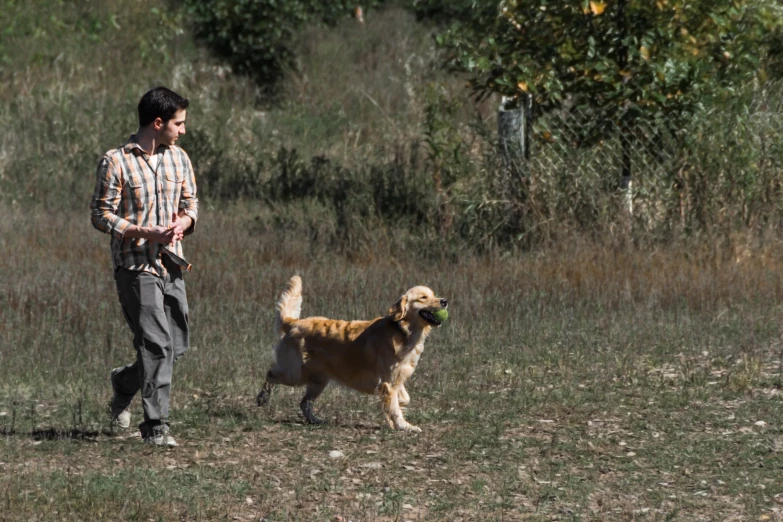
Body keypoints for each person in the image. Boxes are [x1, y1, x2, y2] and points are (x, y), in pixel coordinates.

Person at [90, 86, 198, 446]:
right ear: (158, 122)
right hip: (135, 267)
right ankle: (155, 427)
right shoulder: (115, 161)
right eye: (178, 123)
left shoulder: (179, 158)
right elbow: (100, 214)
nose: (182, 130)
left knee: (174, 347)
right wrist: (141, 232)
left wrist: (184, 222)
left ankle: (123, 383)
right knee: (155, 345)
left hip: (171, 264)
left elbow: (191, 204)